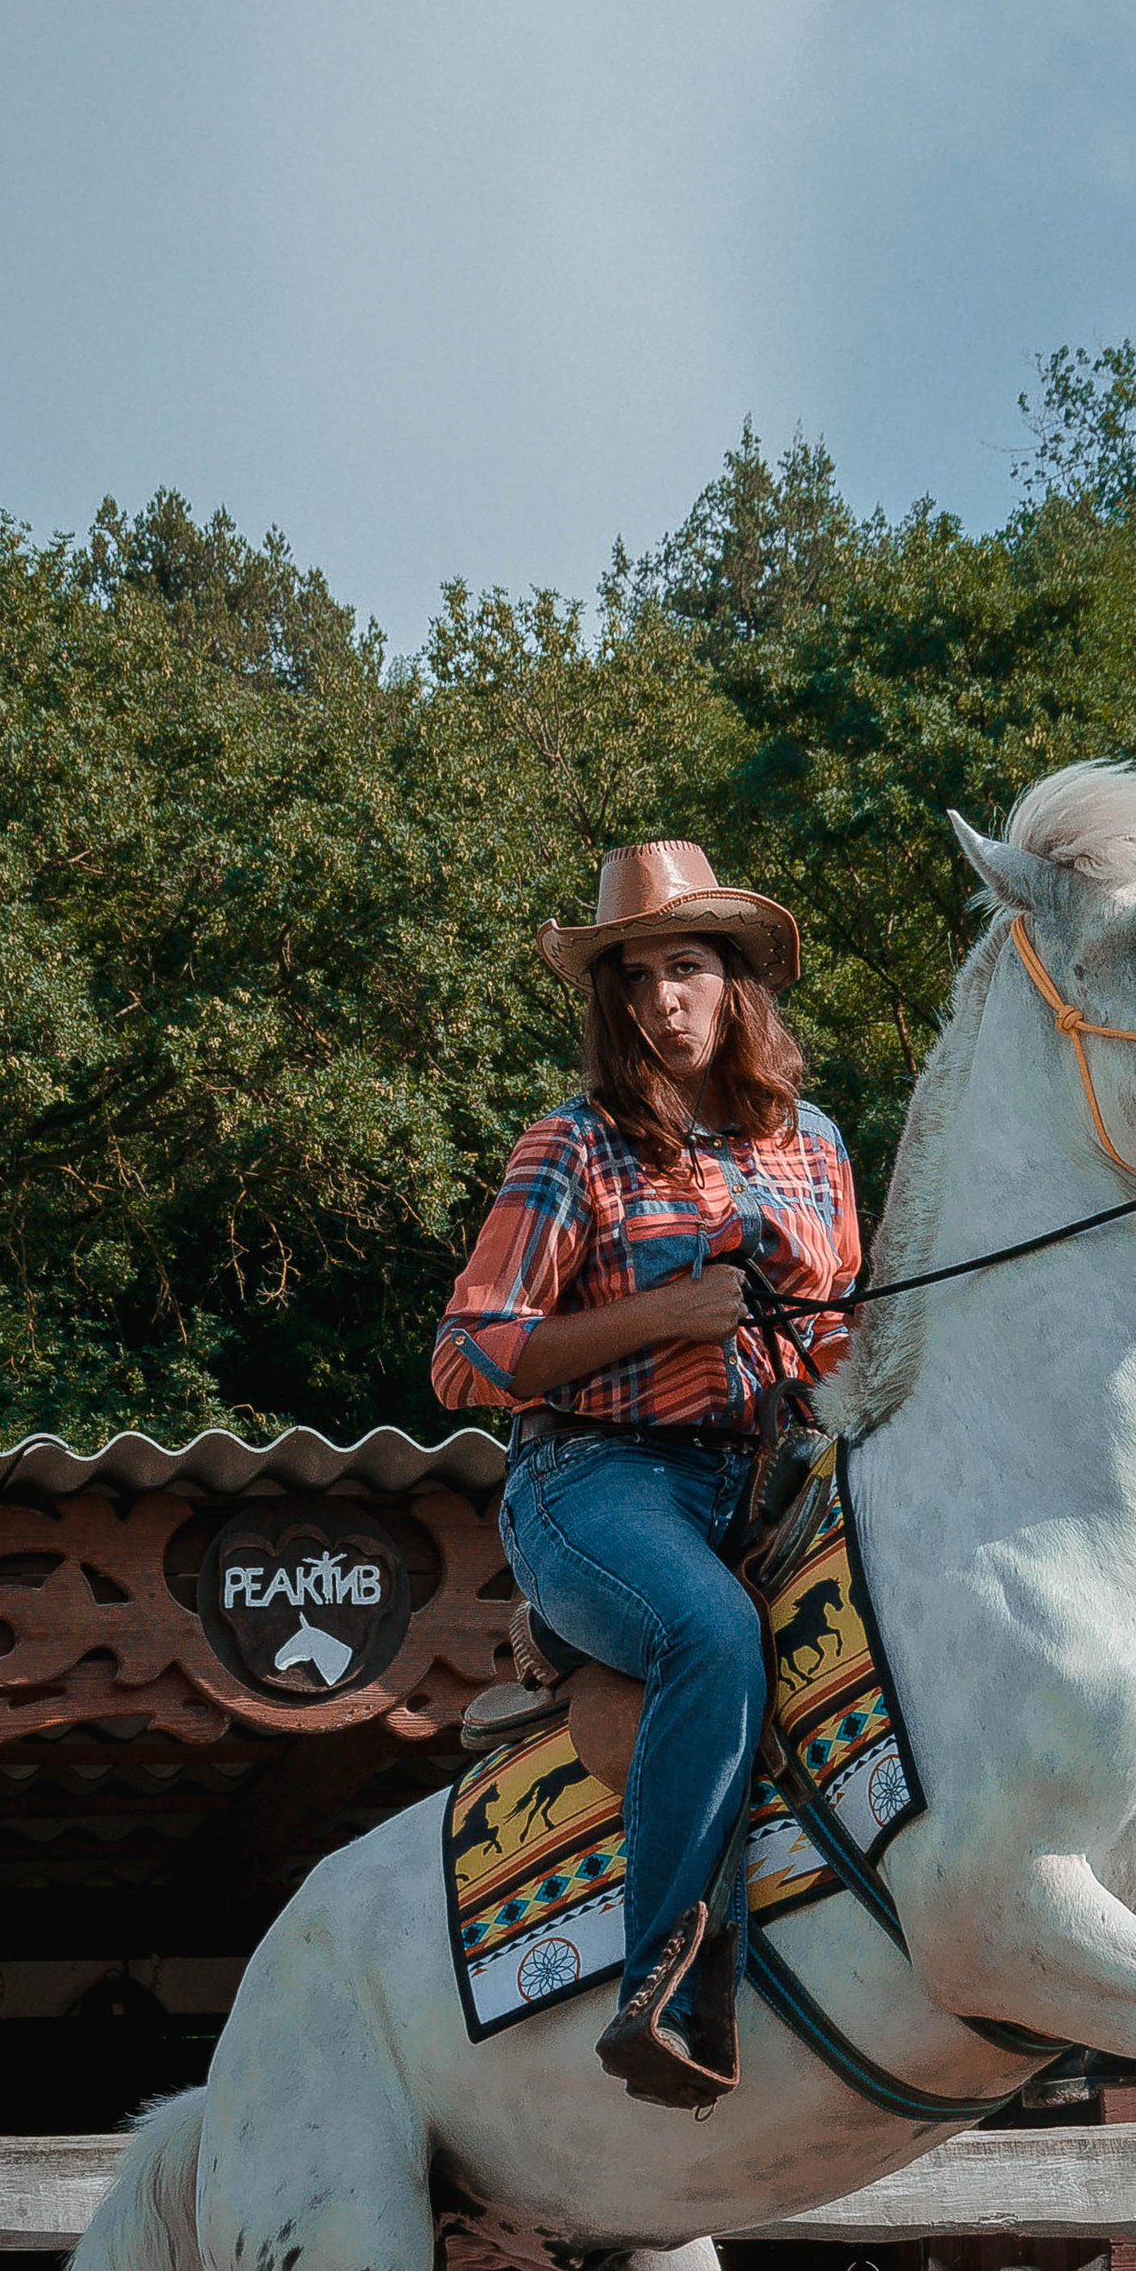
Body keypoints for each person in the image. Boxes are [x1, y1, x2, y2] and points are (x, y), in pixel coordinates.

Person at [431, 843, 860, 2112]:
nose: (663, 1000)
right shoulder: (575, 1146)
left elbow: (835, 1334)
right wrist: (663, 1315)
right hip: (598, 1481)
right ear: (612, 1006)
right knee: (711, 1628)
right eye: (636, 979)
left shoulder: (813, 1145)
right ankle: (667, 1978)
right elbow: (466, 1358)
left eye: (687, 968)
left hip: (770, 1467)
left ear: (735, 986)